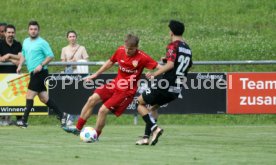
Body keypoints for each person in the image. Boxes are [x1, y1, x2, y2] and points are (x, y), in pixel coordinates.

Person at [63, 34, 161, 139]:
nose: (127, 51)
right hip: (115, 84)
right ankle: (78, 129)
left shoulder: (143, 57)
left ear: (136, 47)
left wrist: (154, 74)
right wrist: (95, 74)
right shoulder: (120, 50)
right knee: (91, 99)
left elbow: (160, 67)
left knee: (102, 110)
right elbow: (110, 62)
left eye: (131, 49)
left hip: (126, 91)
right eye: (126, 48)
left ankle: (95, 136)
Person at [135, 20, 193, 145]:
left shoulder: (173, 45)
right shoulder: (187, 48)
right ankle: (146, 138)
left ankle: (155, 129)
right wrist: (167, 59)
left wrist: (154, 74)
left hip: (166, 84)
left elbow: (171, 65)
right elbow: (188, 65)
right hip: (177, 88)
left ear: (171, 32)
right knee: (152, 108)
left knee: (139, 103)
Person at [16, 20, 63, 128]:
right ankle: (63, 115)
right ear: (28, 30)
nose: (33, 31)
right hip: (32, 72)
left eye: (35, 29)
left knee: (29, 95)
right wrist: (20, 65)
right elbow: (23, 54)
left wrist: (41, 65)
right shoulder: (26, 41)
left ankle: (24, 121)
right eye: (31, 29)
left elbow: (50, 56)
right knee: (44, 98)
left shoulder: (42, 42)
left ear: (38, 30)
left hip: (41, 72)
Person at [60, 30, 89, 127]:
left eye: (73, 36)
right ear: (67, 38)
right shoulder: (64, 49)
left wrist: (78, 61)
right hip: (69, 74)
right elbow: (63, 63)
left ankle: (74, 118)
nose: (72, 38)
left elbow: (86, 61)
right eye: (70, 36)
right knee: (71, 96)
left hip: (79, 74)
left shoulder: (82, 48)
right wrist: (70, 62)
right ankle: (70, 118)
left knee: (79, 97)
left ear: (76, 37)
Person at [0, 24, 23, 126]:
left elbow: (20, 58)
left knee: (17, 98)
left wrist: (8, 56)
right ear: (4, 33)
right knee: (2, 98)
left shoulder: (18, 44)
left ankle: (19, 119)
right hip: (2, 76)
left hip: (14, 75)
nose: (10, 34)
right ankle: (2, 120)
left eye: (12, 32)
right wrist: (11, 59)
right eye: (8, 32)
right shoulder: (0, 43)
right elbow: (0, 59)